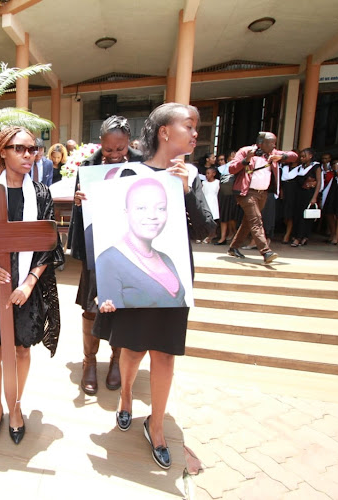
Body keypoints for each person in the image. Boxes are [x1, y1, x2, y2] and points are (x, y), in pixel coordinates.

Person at [95, 102, 214, 470]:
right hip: (132, 279)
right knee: (132, 349)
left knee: (165, 353)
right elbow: (107, 229)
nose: (195, 134)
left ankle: (157, 425)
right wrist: (90, 205)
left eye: (196, 128)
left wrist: (188, 189)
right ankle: (127, 397)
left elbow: (208, 229)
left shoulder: (191, 175)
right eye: (189, 127)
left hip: (171, 282)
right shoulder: (129, 173)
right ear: (165, 132)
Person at [0, 126, 63, 447]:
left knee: (22, 349)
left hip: (27, 284)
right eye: (20, 148)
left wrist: (29, 283)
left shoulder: (40, 194)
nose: (29, 155)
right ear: (2, 152)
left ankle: (16, 406)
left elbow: (48, 246)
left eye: (33, 149)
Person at [69, 115, 143, 396]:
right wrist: (78, 201)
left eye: (120, 149)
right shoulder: (88, 167)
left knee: (120, 306)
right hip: (96, 246)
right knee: (91, 306)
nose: (114, 155)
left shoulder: (141, 165)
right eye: (109, 149)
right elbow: (81, 208)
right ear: (100, 143)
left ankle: (115, 360)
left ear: (128, 143)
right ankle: (90, 362)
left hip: (129, 248)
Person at [96, 177, 186, 308]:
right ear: (126, 213)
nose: (152, 215)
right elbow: (113, 320)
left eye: (161, 208)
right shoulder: (108, 260)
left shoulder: (166, 259)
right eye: (141, 208)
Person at [227, 132, 297, 264]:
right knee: (256, 220)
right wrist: (246, 160)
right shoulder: (246, 151)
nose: (273, 145)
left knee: (248, 221)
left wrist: (281, 156)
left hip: (263, 193)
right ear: (261, 143)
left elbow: (294, 156)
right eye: (270, 143)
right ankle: (266, 252)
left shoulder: (273, 153)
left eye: (274, 143)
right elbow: (231, 169)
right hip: (247, 193)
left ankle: (233, 247)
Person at [290, 148, 322, 247]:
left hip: (309, 194)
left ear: (310, 156)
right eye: (301, 156)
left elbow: (319, 182)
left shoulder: (316, 167)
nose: (302, 158)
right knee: (297, 215)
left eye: (304, 156)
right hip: (299, 194)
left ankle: (301, 237)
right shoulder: (300, 167)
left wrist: (314, 197)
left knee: (305, 216)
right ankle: (298, 236)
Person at [201, 166, 220, 243]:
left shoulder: (217, 182)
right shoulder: (204, 183)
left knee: (213, 219)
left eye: (209, 173)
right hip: (205, 201)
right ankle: (205, 235)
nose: (207, 175)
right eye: (206, 173)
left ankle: (212, 235)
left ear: (214, 174)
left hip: (213, 201)